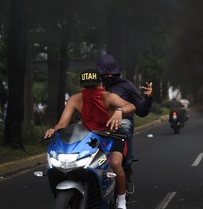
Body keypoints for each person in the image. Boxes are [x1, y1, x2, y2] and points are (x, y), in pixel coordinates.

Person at [44, 68, 136, 209]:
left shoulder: (108, 97)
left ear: (100, 85)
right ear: (81, 87)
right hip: (89, 137)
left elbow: (130, 106)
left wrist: (119, 111)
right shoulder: (75, 100)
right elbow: (62, 124)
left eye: (93, 86)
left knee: (116, 163)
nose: (90, 90)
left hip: (112, 135)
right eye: (86, 87)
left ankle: (122, 200)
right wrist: (54, 130)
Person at [96, 54, 153, 194]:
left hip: (122, 121)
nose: (108, 75)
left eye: (111, 72)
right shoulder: (95, 87)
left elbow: (141, 110)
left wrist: (148, 98)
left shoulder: (126, 85)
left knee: (125, 126)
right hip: (100, 122)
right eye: (104, 72)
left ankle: (126, 169)